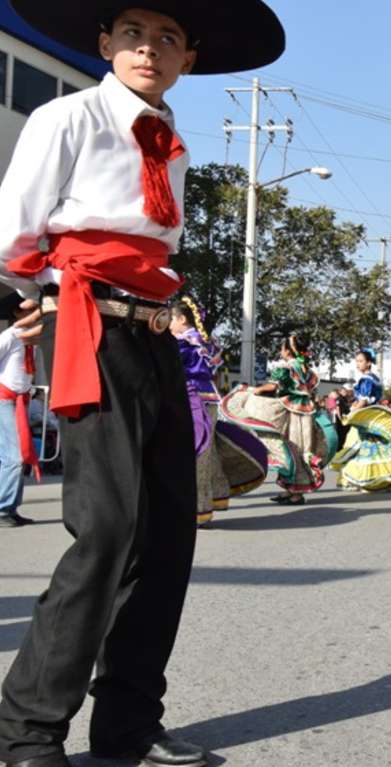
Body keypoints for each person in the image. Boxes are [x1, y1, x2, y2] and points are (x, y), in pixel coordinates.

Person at [0, 3, 284, 765]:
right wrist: (23, 305)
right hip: (86, 321)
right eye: (132, 33)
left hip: (158, 327)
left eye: (166, 38)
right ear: (104, 44)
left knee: (167, 532)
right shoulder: (66, 118)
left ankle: (128, 723)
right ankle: (27, 728)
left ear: (188, 58)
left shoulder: (174, 143)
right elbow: (14, 232)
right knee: (107, 527)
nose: (147, 49)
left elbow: (154, 250)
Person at [171, 298, 267, 526]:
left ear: (182, 319)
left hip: (193, 399)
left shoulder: (182, 343)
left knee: (196, 453)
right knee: (208, 449)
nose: (169, 324)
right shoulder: (205, 341)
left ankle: (198, 508)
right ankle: (218, 495)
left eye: (171, 319)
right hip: (209, 399)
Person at [223, 334, 335, 506]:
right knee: (302, 448)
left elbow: (274, 386)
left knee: (290, 447)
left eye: (282, 348)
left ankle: (296, 494)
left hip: (290, 411)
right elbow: (308, 389)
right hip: (305, 412)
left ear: (289, 351)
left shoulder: (287, 367)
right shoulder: (306, 368)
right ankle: (290, 491)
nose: (280, 352)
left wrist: (254, 390)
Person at [0, 312, 38, 528]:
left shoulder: (30, 340)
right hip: (4, 399)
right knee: (13, 457)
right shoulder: (10, 336)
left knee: (20, 455)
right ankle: (2, 507)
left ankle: (10, 507)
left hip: (20, 401)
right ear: (19, 314)